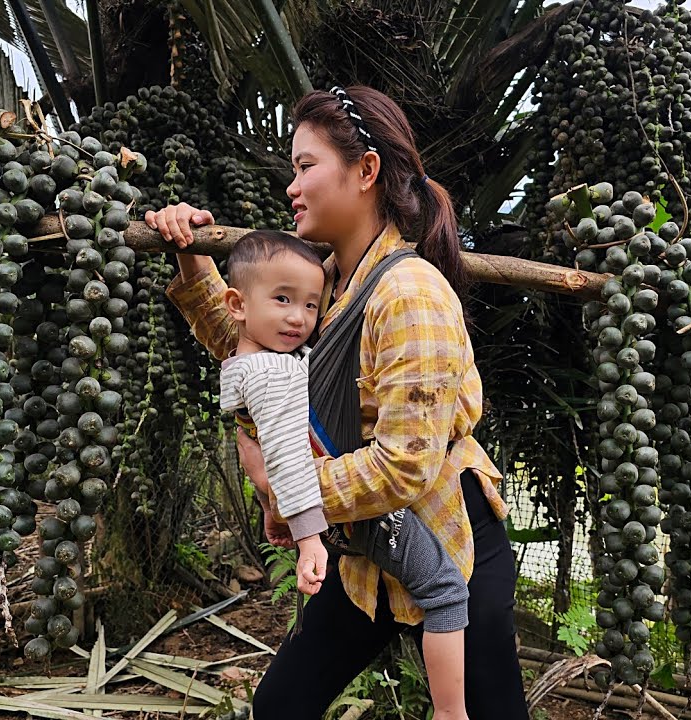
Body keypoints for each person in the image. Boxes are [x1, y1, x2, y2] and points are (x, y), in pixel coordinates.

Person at [145, 85, 529, 720]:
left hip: (446, 546)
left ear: (366, 171)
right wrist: (190, 262)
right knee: (281, 706)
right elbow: (255, 355)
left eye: (305, 166)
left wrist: (287, 491)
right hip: (365, 553)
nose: (291, 187)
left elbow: (405, 465)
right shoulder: (326, 282)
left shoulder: (410, 294)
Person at [210, 228, 472, 720]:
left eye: (311, 306)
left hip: (334, 505)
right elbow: (286, 455)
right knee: (444, 588)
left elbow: (268, 448)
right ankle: (451, 712)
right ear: (238, 305)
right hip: (356, 511)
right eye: (283, 300)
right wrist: (309, 535)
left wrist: (274, 507)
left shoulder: (255, 359)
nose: (299, 317)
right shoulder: (270, 375)